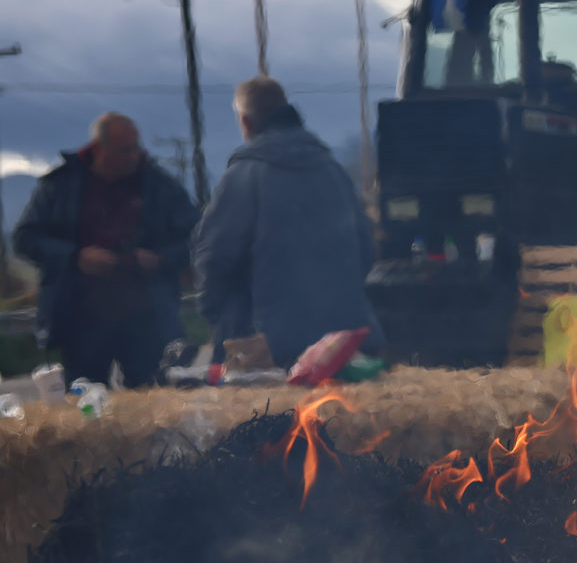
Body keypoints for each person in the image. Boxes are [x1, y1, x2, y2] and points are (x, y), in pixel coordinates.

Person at [193, 77, 383, 368]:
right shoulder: (332, 171)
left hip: (265, 345)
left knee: (266, 414)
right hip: (340, 344)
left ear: (246, 121)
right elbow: (365, 248)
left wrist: (215, 314)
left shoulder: (245, 175)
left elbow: (215, 255)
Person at [12, 112, 199, 386]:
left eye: (136, 147)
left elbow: (196, 238)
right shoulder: (60, 185)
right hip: (81, 322)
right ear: (100, 149)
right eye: (125, 149)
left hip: (147, 320)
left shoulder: (159, 185)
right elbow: (25, 238)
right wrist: (75, 257)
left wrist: (159, 259)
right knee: (86, 405)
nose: (135, 155)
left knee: (153, 404)